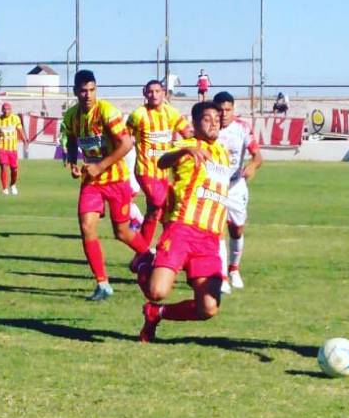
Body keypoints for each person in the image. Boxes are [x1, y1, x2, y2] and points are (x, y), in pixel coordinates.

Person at [138, 101, 231, 342]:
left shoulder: (224, 154)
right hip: (182, 229)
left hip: (209, 238)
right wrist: (184, 151)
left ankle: (156, 313)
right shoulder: (187, 145)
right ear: (195, 123)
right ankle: (144, 263)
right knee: (157, 291)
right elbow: (162, 161)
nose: (213, 124)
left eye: (217, 120)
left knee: (208, 308)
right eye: (207, 119)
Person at [61, 69, 150, 301]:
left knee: (122, 232)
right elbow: (72, 139)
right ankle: (102, 284)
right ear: (75, 91)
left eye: (92, 90)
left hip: (116, 180)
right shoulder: (71, 116)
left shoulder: (107, 112)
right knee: (86, 227)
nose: (88, 95)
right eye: (83, 91)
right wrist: (73, 162)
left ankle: (150, 256)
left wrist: (100, 166)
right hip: (92, 182)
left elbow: (126, 144)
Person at [125, 79, 193, 255]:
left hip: (163, 172)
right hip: (145, 171)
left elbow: (188, 134)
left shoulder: (171, 113)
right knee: (160, 203)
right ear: (145, 93)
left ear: (164, 93)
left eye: (157, 91)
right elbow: (123, 137)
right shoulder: (138, 115)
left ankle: (142, 254)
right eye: (150, 91)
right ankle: (165, 247)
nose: (154, 95)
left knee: (154, 212)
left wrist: (189, 148)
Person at [213, 91, 262, 291]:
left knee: (237, 230)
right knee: (217, 231)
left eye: (228, 109)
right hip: (213, 187)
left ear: (233, 109)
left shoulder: (242, 128)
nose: (224, 114)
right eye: (220, 110)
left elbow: (257, 155)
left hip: (235, 186)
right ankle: (222, 277)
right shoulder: (208, 127)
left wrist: (252, 166)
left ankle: (234, 269)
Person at [0, 102, 29, 195]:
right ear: (2, 110)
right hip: (2, 147)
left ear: (11, 110)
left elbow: (20, 131)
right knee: (3, 166)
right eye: (4, 109)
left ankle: (13, 185)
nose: (6, 111)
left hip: (13, 148)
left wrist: (25, 141)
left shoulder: (15, 118)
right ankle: (4, 189)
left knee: (14, 169)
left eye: (8, 109)